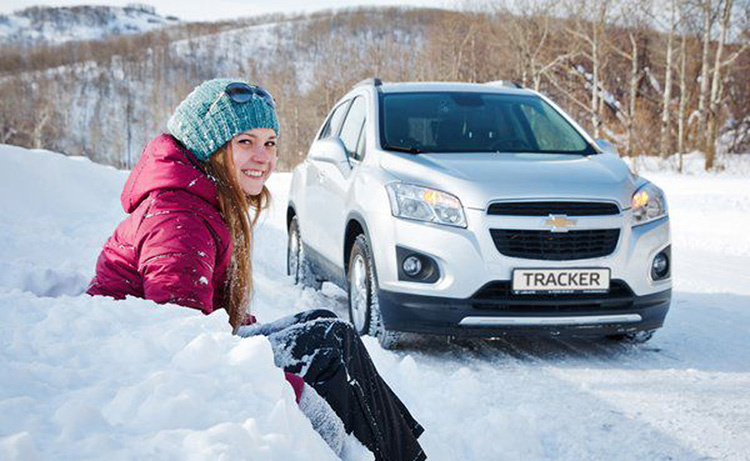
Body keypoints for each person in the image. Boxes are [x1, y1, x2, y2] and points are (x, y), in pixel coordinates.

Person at [87, 78, 426, 461]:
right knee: (327, 346)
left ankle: (399, 454)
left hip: (170, 349)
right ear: (211, 148)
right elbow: (185, 348)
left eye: (270, 143)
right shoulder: (178, 221)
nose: (263, 156)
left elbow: (211, 314)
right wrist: (290, 391)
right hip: (134, 374)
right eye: (245, 142)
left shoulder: (200, 201)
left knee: (326, 326)